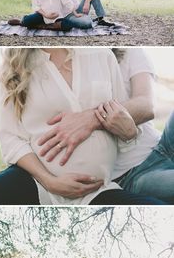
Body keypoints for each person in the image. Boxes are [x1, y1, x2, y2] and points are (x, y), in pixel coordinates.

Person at [0, 48, 166, 206]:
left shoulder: (102, 56)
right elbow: (10, 138)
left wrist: (130, 133)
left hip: (95, 191)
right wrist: (51, 181)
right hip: (36, 183)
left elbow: (125, 124)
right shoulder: (17, 69)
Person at [38, 48, 174, 204]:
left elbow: (146, 105)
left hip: (163, 145)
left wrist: (91, 118)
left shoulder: (130, 52)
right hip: (132, 176)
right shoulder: (65, 66)